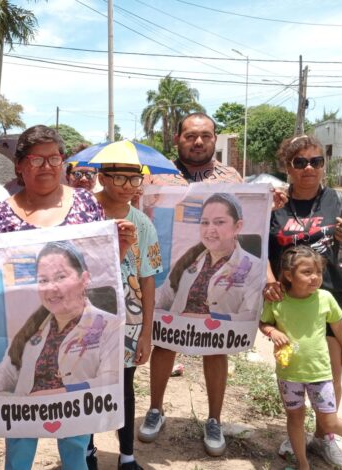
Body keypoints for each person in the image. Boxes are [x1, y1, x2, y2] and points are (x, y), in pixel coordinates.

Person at [0, 124, 136, 470]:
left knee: (76, 446)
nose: (46, 166)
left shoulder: (85, 204)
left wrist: (120, 247)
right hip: (26, 376)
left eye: (54, 158)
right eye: (36, 159)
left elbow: (101, 267)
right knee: (19, 446)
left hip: (79, 374)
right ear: (20, 165)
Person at [264, 134, 342, 466]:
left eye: (316, 161)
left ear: (324, 164)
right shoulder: (276, 206)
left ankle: (324, 437)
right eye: (300, 162)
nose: (309, 168)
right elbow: (258, 251)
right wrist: (271, 281)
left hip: (329, 299)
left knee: (330, 373)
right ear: (288, 166)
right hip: (288, 304)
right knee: (296, 369)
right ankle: (299, 433)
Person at [137, 113, 245, 455]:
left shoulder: (232, 178)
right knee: (165, 341)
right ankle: (155, 409)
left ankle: (214, 419)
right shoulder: (157, 177)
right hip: (169, 270)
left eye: (205, 136)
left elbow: (250, 219)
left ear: (214, 139)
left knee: (215, 346)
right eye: (190, 136)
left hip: (222, 272)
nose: (198, 142)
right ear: (177, 139)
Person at [260, 245, 342, 469]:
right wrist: (272, 331)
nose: (315, 277)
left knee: (328, 422)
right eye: (307, 272)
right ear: (289, 275)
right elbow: (264, 322)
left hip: (319, 372)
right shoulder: (277, 300)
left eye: (318, 272)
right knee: (295, 418)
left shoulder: (325, 298)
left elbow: (338, 327)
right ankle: (303, 463)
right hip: (288, 373)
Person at [0, 241, 119, 396]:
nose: (51, 287)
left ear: (84, 279)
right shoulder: (32, 329)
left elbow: (112, 379)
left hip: (81, 417)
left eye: (60, 277)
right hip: (29, 416)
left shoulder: (110, 325)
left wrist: (64, 393)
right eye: (43, 280)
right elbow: (8, 372)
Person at [89, 163, 162, 470]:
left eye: (134, 177)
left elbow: (147, 278)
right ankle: (86, 450)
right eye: (118, 177)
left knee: (125, 385)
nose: (127, 184)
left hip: (129, 320)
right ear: (102, 178)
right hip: (88, 316)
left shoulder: (143, 224)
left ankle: (127, 455)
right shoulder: (85, 215)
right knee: (87, 384)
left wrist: (146, 331)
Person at [156, 193, 264, 322]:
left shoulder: (255, 267)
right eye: (205, 222)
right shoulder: (187, 261)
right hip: (177, 337)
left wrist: (209, 319)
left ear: (237, 226)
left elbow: (250, 315)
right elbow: (162, 299)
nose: (210, 229)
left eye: (219, 222)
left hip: (221, 339)